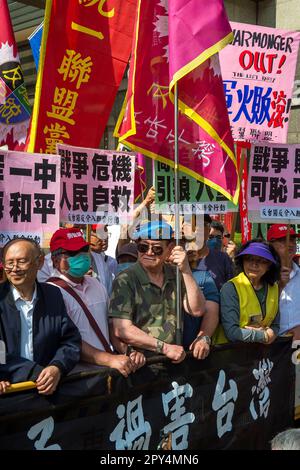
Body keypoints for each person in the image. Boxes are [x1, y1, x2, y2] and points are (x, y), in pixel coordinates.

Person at [48, 228, 145, 377]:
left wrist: (127, 350)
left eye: (84, 249)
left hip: (107, 373)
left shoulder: (96, 284)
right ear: (55, 261)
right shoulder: (51, 293)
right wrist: (110, 359)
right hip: (78, 378)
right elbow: (67, 341)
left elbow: (110, 326)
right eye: (73, 253)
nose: (82, 255)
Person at [109, 221, 206, 363]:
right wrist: (165, 348)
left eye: (156, 249)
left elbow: (197, 310)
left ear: (170, 248)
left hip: (173, 360)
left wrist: (186, 270)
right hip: (142, 363)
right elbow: (121, 329)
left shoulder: (176, 274)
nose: (149, 253)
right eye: (143, 247)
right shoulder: (125, 279)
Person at [0, 238, 81, 394]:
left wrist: (57, 367)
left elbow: (70, 340)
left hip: (48, 390)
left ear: (40, 262)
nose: (14, 269)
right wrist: (35, 372)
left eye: (22, 261)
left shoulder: (53, 295)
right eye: (9, 263)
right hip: (10, 392)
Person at [216, 240, 281, 344]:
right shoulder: (230, 288)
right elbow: (232, 332)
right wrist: (264, 336)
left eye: (261, 260)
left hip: (260, 356)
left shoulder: (274, 287)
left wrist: (272, 333)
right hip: (229, 355)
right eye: (249, 259)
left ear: (269, 265)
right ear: (242, 261)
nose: (254, 264)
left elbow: (276, 325)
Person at [184, 242, 220, 360]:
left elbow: (212, 311)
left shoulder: (203, 277)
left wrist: (204, 337)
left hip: (193, 351)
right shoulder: (157, 275)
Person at [267, 224, 300, 339]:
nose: (290, 244)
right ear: (270, 245)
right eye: (283, 240)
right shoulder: (262, 275)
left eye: (292, 239)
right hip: (272, 346)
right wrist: (280, 286)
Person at [196, 214, 234, 291]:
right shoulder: (183, 258)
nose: (215, 241)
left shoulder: (224, 259)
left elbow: (231, 287)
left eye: (218, 237)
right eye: (211, 237)